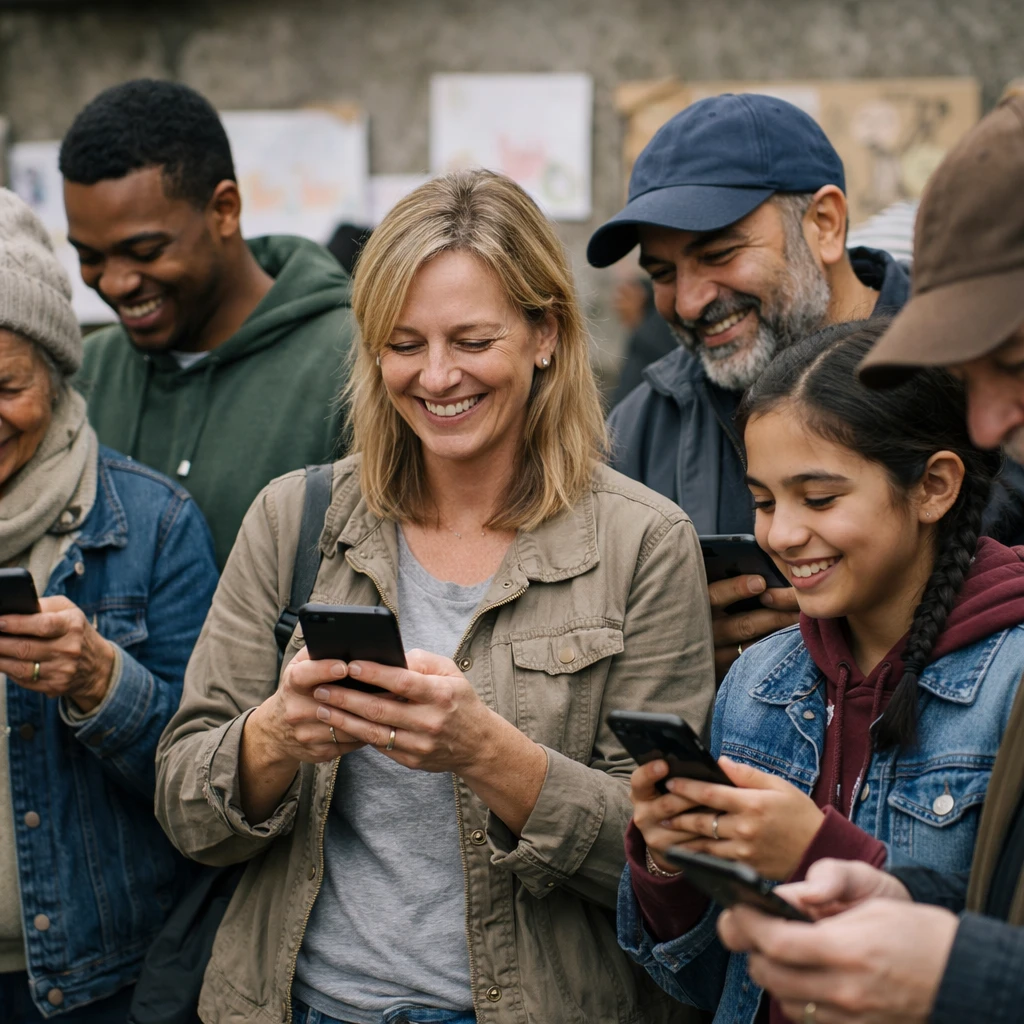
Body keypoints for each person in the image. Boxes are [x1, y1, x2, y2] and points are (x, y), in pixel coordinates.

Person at [154, 169, 716, 1024]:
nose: (437, 375)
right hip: (300, 1003)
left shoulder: (643, 543)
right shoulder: (296, 517)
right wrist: (273, 738)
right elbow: (185, 808)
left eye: (472, 339)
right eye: (404, 343)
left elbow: (665, 860)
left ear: (546, 335)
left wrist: (488, 753)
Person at [712, 92, 1024, 1024]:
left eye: (1012, 360)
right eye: (765, 501)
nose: (990, 425)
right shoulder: (761, 679)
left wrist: (949, 967)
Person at [616, 319, 1024, 1023]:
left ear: (934, 486)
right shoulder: (756, 684)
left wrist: (815, 851)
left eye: (820, 498)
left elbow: (997, 967)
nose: (781, 534)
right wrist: (670, 862)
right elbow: (713, 982)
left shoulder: (1009, 687)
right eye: (765, 501)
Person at [587, 94, 912, 680]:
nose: (688, 302)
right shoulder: (639, 428)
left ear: (825, 224)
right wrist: (660, 648)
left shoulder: (975, 378)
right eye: (661, 274)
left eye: (719, 253)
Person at [0, 189, 218, 1021]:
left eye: (5, 384)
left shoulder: (151, 526)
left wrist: (99, 682)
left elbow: (211, 781)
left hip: (99, 985)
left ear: (55, 375)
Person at [61, 79, 355, 569]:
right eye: (89, 257)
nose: (114, 283)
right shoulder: (86, 373)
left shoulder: (353, 363)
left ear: (224, 210)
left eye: (146, 252)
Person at [610, 275, 677, 407]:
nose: (618, 305)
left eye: (625, 297)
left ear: (640, 298)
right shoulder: (641, 334)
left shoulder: (650, 338)